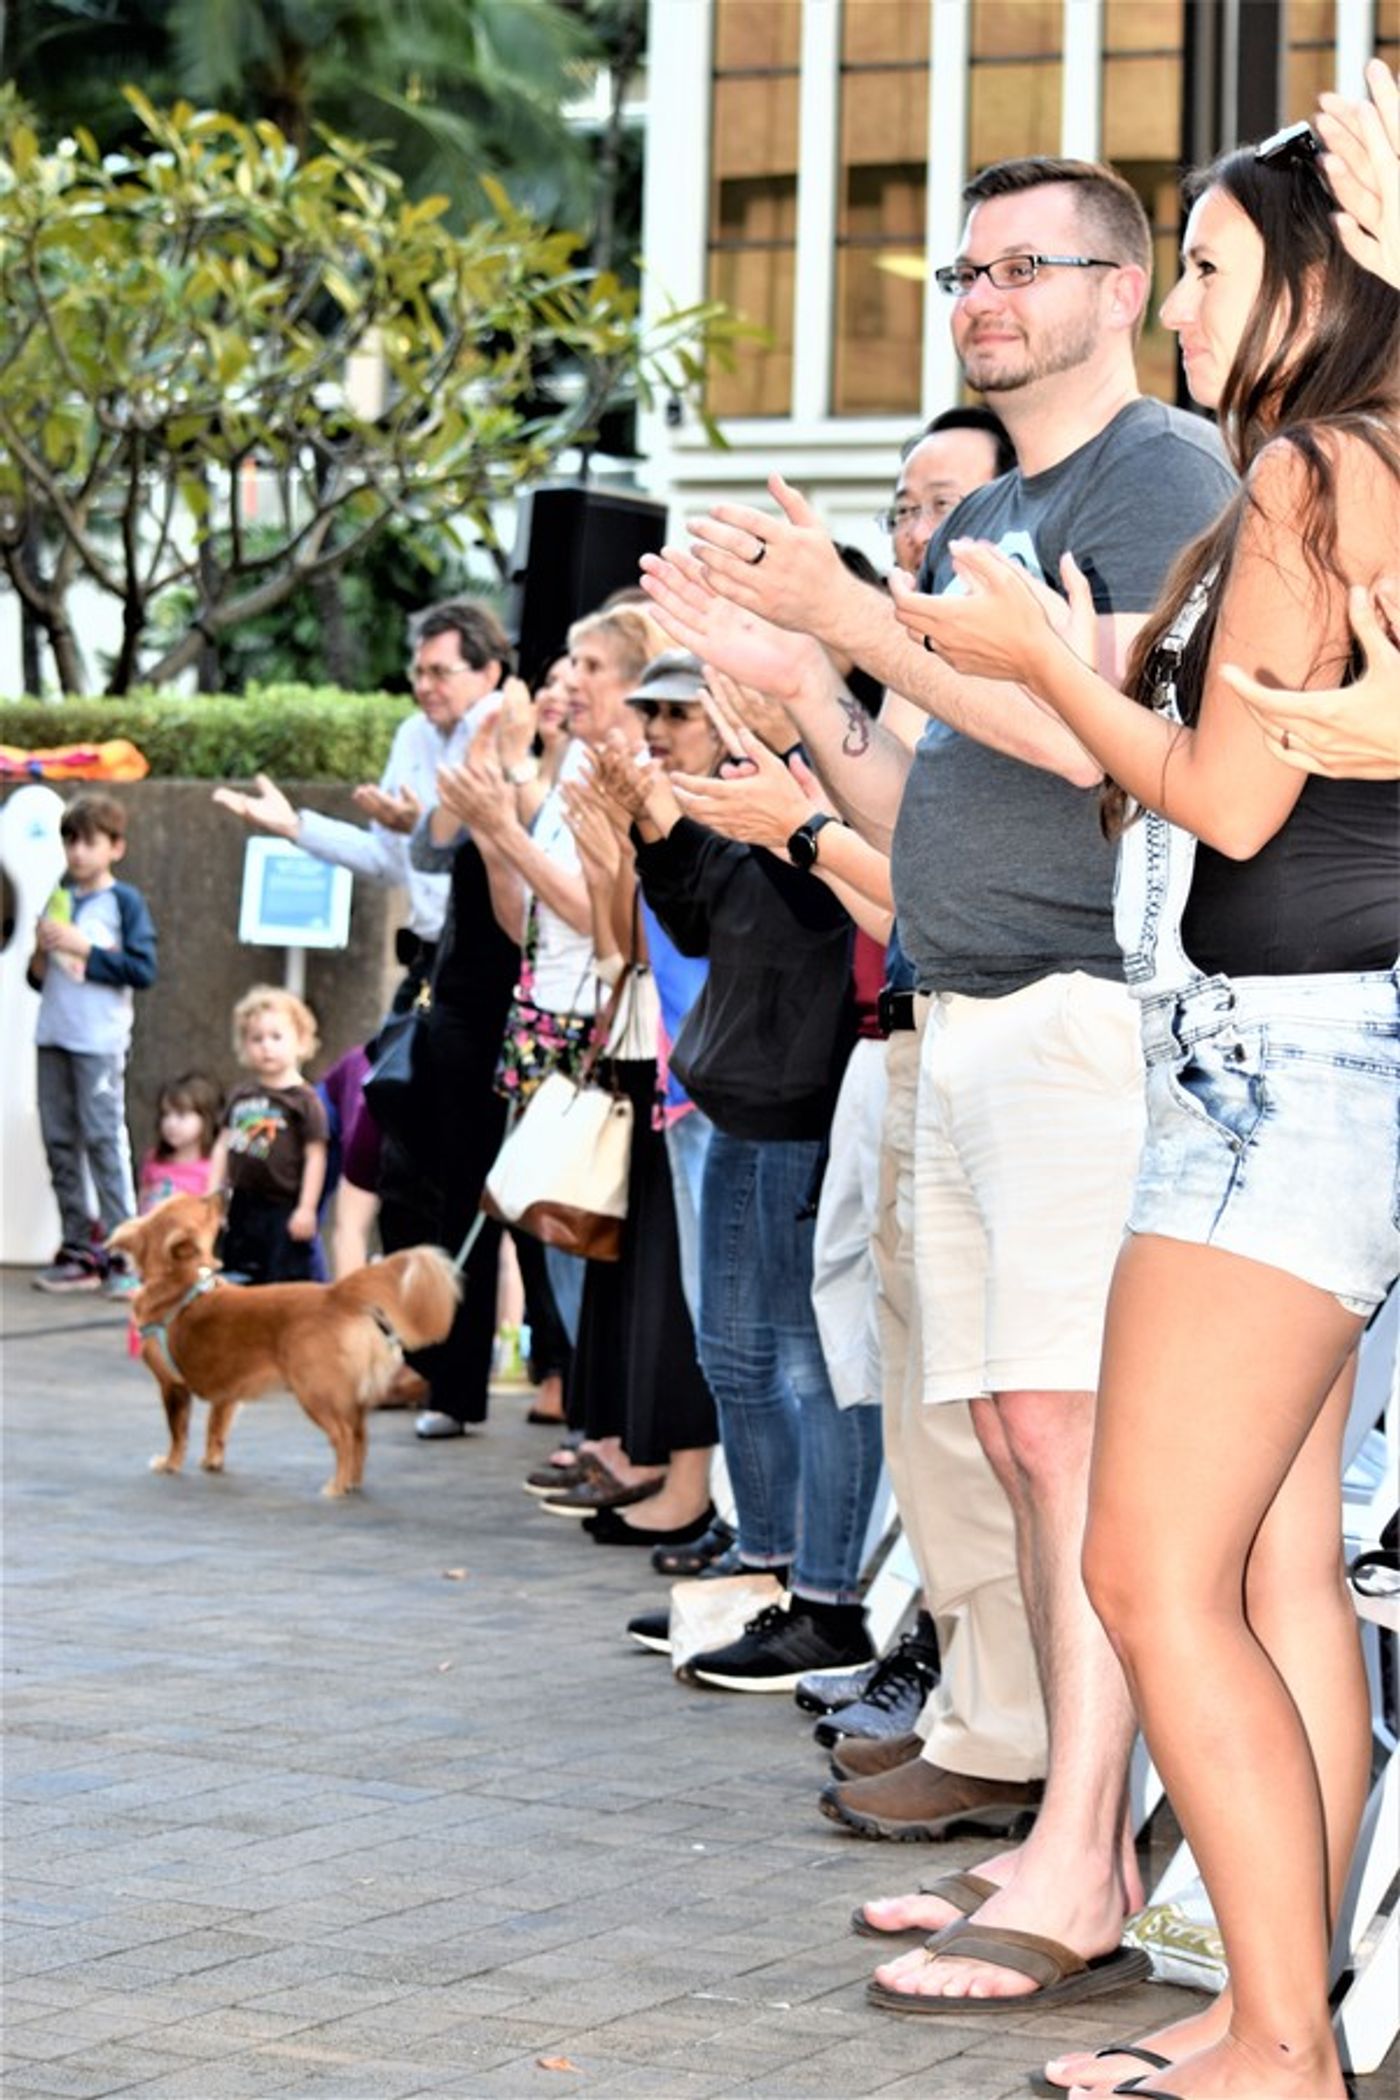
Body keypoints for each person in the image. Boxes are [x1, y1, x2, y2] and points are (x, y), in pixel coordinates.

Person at [643, 156, 1235, 1993]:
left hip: (1079, 1015)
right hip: (972, 1009)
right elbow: (935, 806)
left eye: (1023, 266)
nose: (979, 295)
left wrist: (857, 623)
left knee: (1075, 1445)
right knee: (1015, 1437)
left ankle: (1081, 1861)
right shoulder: (1018, 500)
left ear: (1123, 289)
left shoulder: (1162, 478)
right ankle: (1072, 1830)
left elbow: (1107, 746)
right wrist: (812, 699)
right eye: (963, 268)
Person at [902, 133, 1398, 2100]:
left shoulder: (1306, 470)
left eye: (1199, 267)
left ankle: (1279, 2038)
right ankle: (1272, 2004)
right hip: (1298, 1057)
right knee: (1270, 1579)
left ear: (1311, 273)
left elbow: (1226, 803)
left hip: (1273, 1071)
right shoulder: (1338, 469)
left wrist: (1041, 661)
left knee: (1150, 1571)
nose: (1182, 308)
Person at [603, 674, 886, 1691]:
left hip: (802, 1100)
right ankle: (760, 1562)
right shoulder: (757, 780)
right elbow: (699, 920)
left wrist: (785, 787)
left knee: (815, 1363)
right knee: (730, 1349)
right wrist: (649, 823)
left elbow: (817, 909)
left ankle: (823, 1597)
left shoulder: (846, 792)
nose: (719, 701)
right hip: (730, 1092)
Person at [213, 599, 510, 1008]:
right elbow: (387, 862)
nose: (424, 687)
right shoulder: (412, 734)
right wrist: (297, 828)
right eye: (419, 672)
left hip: (494, 959)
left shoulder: (509, 726)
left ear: (490, 673)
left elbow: (508, 849)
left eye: (440, 673)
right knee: (390, 1067)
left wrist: (422, 827)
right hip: (428, 954)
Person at [28, 792, 157, 1294]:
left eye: (89, 842)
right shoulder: (58, 895)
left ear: (115, 847)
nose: (78, 853)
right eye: (71, 842)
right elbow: (38, 979)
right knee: (60, 1141)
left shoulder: (124, 902)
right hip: (53, 1034)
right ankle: (78, 1248)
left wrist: (86, 947)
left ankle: (125, 1254)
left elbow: (143, 970)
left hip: (99, 1041)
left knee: (104, 1141)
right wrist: (42, 951)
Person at [211, 986, 328, 1285]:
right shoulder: (241, 1095)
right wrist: (212, 1197)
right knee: (236, 1276)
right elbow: (223, 1146)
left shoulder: (304, 1100)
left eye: (277, 1037)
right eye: (256, 1038)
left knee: (282, 1281)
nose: (266, 1046)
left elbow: (316, 1156)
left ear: (301, 1041)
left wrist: (306, 1208)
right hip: (242, 1204)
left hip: (283, 1208)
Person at [138, 1072, 222, 1208]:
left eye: (181, 1115)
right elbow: (141, 1205)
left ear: (207, 1118)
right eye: (166, 1114)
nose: (170, 1123)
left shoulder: (215, 1167)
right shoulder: (153, 1158)